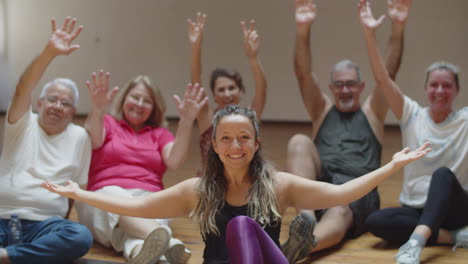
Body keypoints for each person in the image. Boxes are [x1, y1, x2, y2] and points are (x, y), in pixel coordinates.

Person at [42, 105, 431, 264]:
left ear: (257, 143)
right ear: (214, 145)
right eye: (226, 138)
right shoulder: (198, 190)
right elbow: (139, 208)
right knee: (236, 226)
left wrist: (391, 166)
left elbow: (341, 195)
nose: (235, 146)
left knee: (242, 225)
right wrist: (79, 194)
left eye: (244, 138)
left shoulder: (278, 185)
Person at [285, 0, 411, 261]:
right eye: (339, 85)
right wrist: (302, 28)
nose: (345, 90)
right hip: (320, 190)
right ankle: (305, 221)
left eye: (350, 85)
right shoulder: (321, 111)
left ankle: (300, 248)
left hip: (356, 194)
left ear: (361, 87)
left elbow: (389, 72)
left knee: (340, 208)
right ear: (331, 88)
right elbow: (303, 73)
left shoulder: (373, 113)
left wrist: (398, 27)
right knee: (298, 141)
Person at [358, 0, 468, 263]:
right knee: (375, 221)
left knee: (442, 175)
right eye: (434, 85)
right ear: (425, 88)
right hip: (416, 208)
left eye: (446, 86)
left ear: (456, 91)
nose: (439, 91)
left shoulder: (465, 120)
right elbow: (382, 79)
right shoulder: (411, 114)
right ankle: (453, 237)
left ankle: (415, 244)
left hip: (456, 209)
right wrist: (370, 35)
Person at [76, 70, 207, 264]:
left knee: (137, 237)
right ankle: (167, 240)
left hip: (149, 200)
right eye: (135, 97)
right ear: (123, 99)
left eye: (146, 101)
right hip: (103, 199)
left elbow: (175, 161)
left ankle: (146, 252)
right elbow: (95, 139)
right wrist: (97, 108)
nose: (139, 104)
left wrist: (187, 121)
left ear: (154, 108)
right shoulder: (108, 123)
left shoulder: (159, 133)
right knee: (112, 196)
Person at [0, 17, 93, 263]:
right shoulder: (22, 122)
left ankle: (7, 257)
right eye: (51, 99)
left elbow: (75, 191)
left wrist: (62, 223)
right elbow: (22, 88)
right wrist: (49, 53)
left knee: (80, 236)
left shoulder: (80, 136)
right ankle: (23, 258)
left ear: (73, 112)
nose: (57, 106)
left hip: (44, 227)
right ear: (39, 103)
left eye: (65, 103)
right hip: (1, 218)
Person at [187, 13, 267, 175]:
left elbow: (262, 89)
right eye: (221, 90)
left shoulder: (250, 116)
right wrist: (196, 47)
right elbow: (196, 80)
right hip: (211, 186)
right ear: (214, 96)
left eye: (232, 88)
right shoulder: (207, 118)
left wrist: (253, 58)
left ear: (240, 90)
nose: (227, 93)